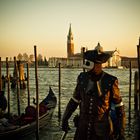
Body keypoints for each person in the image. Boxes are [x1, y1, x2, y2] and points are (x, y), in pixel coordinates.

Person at [62, 45, 126, 140]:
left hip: (102, 131)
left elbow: (119, 107)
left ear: (96, 65)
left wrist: (120, 131)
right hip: (82, 129)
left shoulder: (111, 81)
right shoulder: (82, 78)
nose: (86, 68)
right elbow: (74, 101)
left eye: (88, 64)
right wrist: (65, 118)